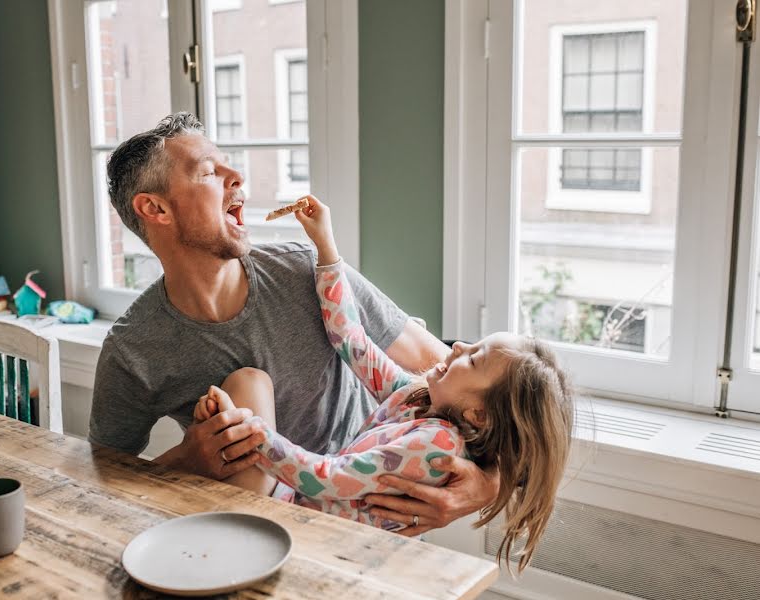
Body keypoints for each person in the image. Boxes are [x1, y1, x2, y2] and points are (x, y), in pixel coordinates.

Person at [89, 112, 498, 535]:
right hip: (255, 528)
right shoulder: (133, 348)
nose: (237, 177)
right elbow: (101, 475)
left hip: (362, 526)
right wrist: (188, 459)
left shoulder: (306, 271)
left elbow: (465, 386)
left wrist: (490, 484)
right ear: (154, 208)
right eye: (210, 171)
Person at [193, 195, 574, 570]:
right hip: (301, 507)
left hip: (321, 544)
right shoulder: (419, 397)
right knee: (246, 386)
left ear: (478, 413)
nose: (457, 346)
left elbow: (325, 479)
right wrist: (326, 249)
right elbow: (350, 340)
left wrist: (253, 434)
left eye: (474, 357)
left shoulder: (438, 444)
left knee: (242, 406)